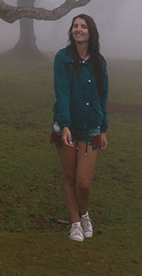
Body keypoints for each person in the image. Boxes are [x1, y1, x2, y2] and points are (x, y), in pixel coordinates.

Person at [50, 14, 108, 242]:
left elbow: (103, 95)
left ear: (91, 32)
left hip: (91, 126)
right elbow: (61, 92)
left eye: (83, 26)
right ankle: (75, 223)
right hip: (66, 125)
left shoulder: (99, 62)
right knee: (70, 177)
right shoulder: (62, 58)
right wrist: (65, 125)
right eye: (75, 26)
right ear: (71, 31)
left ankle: (84, 214)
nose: (79, 29)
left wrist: (103, 128)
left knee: (84, 182)